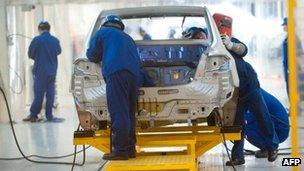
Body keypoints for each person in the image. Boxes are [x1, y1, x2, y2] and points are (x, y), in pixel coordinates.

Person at [213, 13, 279, 165]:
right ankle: (238, 156)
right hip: (235, 93)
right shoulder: (212, 47)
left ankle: (272, 147)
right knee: (238, 124)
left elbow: (244, 50)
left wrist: (230, 45)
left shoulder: (230, 41)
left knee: (263, 116)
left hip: (250, 86)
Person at [86, 15, 140, 160]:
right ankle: (130, 149)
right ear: (120, 26)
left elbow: (92, 56)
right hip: (135, 76)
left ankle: (121, 151)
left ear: (106, 24)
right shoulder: (128, 38)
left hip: (117, 73)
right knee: (129, 112)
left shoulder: (102, 33)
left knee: (119, 110)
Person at [23, 21, 63, 123]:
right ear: (49, 29)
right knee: (50, 94)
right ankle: (49, 116)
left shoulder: (37, 40)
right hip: (52, 71)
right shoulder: (55, 40)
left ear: (39, 29)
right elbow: (58, 51)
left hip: (40, 71)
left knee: (39, 94)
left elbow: (30, 54)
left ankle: (33, 115)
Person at [244, 89, 289, 158]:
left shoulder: (252, 95)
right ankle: (270, 146)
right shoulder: (253, 89)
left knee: (245, 127)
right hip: (279, 127)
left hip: (280, 130)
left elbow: (249, 117)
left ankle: (269, 148)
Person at [282, 17, 304, 97]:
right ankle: (292, 105)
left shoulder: (294, 38)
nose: (283, 27)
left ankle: (294, 106)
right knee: (289, 88)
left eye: (285, 25)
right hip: (288, 69)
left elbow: (299, 54)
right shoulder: (288, 38)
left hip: (292, 69)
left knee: (293, 89)